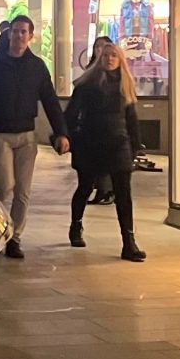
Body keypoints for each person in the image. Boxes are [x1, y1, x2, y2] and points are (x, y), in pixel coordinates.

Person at [0, 15, 70, 260]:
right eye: (16, 31)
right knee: (4, 187)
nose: (20, 36)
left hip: (26, 135)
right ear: (9, 34)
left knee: (23, 191)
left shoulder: (36, 67)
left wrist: (62, 132)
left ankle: (15, 238)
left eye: (24, 32)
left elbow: (50, 101)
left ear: (31, 36)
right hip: (0, 134)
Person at [65, 41, 146, 262]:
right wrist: (66, 138)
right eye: (106, 55)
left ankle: (128, 242)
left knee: (124, 194)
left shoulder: (125, 85)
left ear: (120, 60)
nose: (109, 59)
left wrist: (136, 146)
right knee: (85, 187)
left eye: (114, 56)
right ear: (99, 59)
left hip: (118, 144)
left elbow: (131, 118)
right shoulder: (87, 85)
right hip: (91, 143)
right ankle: (76, 225)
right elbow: (71, 114)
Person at [86, 36, 116, 205]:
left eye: (104, 47)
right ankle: (100, 190)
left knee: (107, 161)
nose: (100, 50)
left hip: (110, 127)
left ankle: (108, 191)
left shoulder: (115, 73)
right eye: (97, 47)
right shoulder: (91, 70)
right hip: (92, 125)